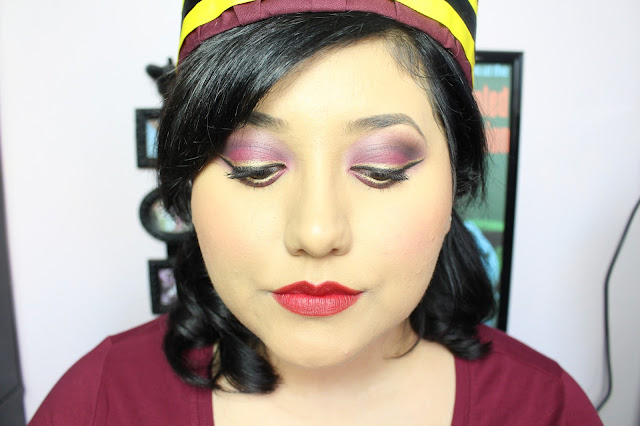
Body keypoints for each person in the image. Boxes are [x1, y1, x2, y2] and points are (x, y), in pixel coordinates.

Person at [30, 1, 603, 424]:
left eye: (380, 168)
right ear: (187, 187)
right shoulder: (98, 402)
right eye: (255, 167)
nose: (317, 232)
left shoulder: (545, 409)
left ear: (458, 180)